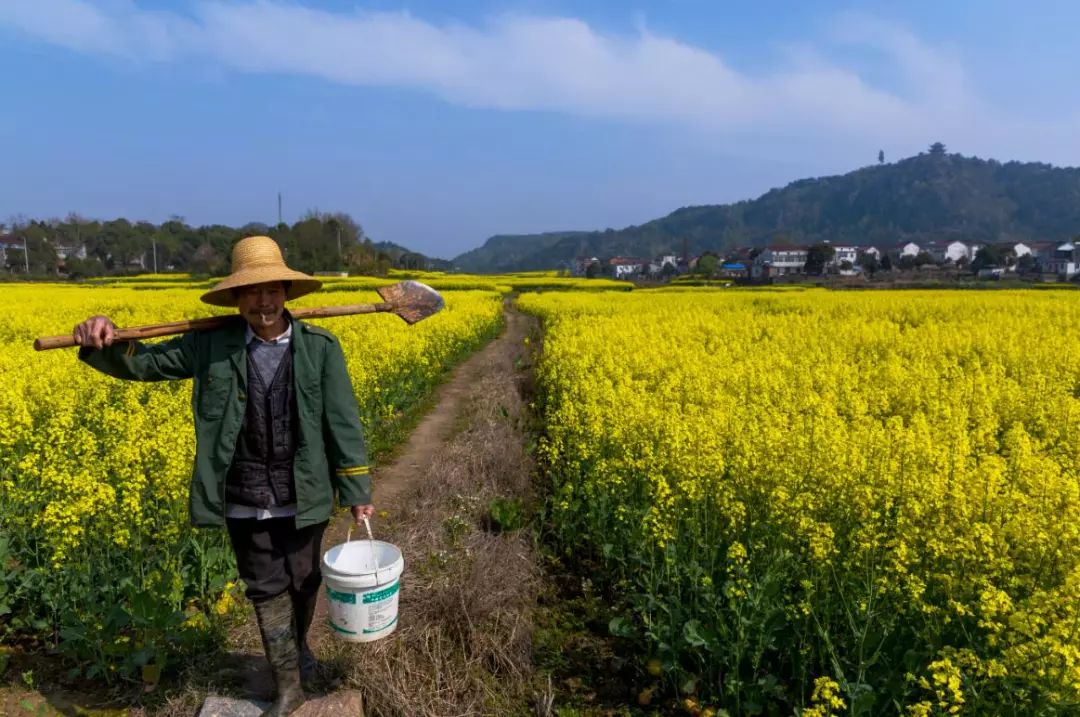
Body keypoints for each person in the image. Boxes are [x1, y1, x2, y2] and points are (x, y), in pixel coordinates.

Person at [73, 235, 374, 717]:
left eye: (271, 290)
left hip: (305, 488)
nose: (263, 302)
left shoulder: (320, 348)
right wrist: (102, 337)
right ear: (235, 298)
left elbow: (343, 421)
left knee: (304, 579)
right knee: (265, 584)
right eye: (251, 292)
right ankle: (288, 686)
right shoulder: (210, 345)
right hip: (241, 491)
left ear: (286, 293)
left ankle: (296, 652)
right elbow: (147, 363)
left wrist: (356, 490)